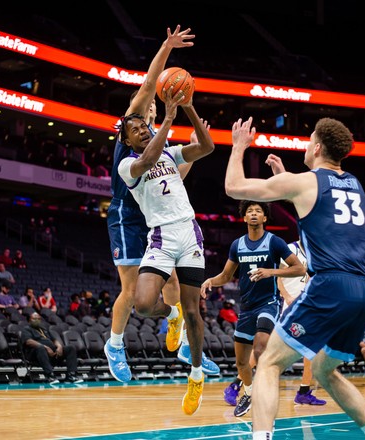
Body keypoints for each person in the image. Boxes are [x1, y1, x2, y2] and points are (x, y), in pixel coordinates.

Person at [224, 117, 365, 439]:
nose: (305, 145)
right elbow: (319, 209)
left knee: (270, 363)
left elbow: (233, 187)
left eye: (308, 140)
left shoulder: (306, 181)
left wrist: (238, 147)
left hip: (332, 285)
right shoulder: (355, 184)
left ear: (317, 147)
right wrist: (284, 179)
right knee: (324, 370)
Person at [103, 25, 219, 389]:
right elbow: (150, 82)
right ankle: (115, 345)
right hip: (127, 213)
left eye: (153, 106)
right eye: (146, 105)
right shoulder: (131, 132)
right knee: (131, 285)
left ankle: (184, 341)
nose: (149, 106)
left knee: (172, 281)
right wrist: (167, 47)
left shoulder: (161, 144)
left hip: (158, 218)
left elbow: (175, 179)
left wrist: (193, 148)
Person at [117, 79, 214, 415]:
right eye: (134, 128)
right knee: (142, 304)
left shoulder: (171, 153)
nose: (141, 129)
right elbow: (148, 160)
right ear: (126, 140)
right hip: (159, 237)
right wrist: (169, 118)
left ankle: (197, 375)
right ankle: (168, 314)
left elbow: (207, 147)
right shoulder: (127, 166)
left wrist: (187, 105)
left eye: (144, 124)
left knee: (193, 311)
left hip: (188, 234)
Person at [200, 200, 306, 417]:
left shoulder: (274, 242)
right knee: (241, 362)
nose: (255, 214)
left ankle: (266, 389)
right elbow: (226, 276)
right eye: (250, 211)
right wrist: (211, 280)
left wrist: (271, 272)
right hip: (246, 307)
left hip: (268, 303)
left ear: (265, 218)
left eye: (258, 211)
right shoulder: (237, 245)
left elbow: (299, 269)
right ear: (245, 218)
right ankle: (248, 393)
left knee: (260, 347)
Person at [278, 239, 327, 405]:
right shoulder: (291, 249)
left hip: (302, 308)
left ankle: (304, 391)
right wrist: (287, 296)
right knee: (269, 351)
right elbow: (278, 276)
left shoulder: (310, 254)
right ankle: (237, 384)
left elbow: (304, 280)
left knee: (312, 349)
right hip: (288, 307)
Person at [21, 312, 83, 384]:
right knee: (40, 348)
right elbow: (28, 341)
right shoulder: (26, 329)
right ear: (29, 320)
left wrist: (59, 347)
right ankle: (50, 376)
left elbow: (54, 340)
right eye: (34, 319)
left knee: (70, 348)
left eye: (38, 319)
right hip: (36, 355)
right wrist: (45, 347)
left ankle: (71, 375)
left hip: (52, 354)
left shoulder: (43, 329)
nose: (37, 320)